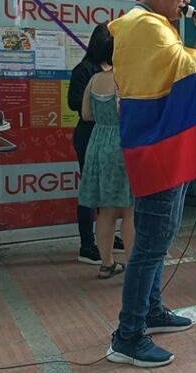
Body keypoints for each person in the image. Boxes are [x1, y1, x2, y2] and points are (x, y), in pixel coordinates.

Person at [107, 0, 196, 367]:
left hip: (161, 141)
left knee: (159, 240)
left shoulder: (147, 24)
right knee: (150, 246)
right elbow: (193, 67)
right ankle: (128, 335)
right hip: (158, 146)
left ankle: (151, 310)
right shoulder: (146, 26)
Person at [77, 28, 134, 279]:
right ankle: (133, 266)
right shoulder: (126, 80)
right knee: (130, 210)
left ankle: (106, 263)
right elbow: (128, 115)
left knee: (105, 210)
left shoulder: (94, 79)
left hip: (97, 142)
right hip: (123, 144)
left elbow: (86, 115)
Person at [69, 25, 124, 265]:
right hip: (90, 135)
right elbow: (76, 105)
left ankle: (108, 239)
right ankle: (87, 244)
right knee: (92, 190)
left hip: (107, 136)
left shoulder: (113, 72)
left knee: (110, 194)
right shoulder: (85, 70)